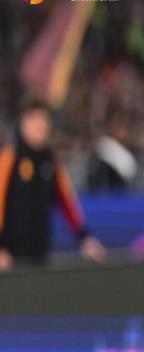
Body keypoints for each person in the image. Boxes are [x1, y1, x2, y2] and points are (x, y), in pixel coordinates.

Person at [0, 99, 106, 271]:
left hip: (39, 252)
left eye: (43, 118)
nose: (39, 124)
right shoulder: (9, 158)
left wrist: (84, 237)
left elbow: (66, 201)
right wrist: (1, 247)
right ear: (23, 124)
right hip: (9, 257)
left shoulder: (50, 161)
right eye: (34, 118)